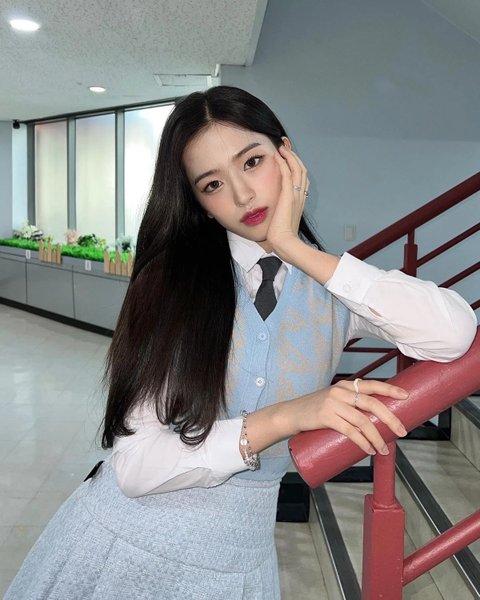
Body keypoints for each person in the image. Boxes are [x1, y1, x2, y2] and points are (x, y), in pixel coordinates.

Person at [6, 86, 476, 600]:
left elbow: (453, 332)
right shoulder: (171, 284)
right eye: (213, 184)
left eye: (252, 162)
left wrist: (293, 248)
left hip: (240, 563)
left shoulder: (334, 291)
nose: (243, 195)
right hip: (125, 549)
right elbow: (135, 467)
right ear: (201, 205)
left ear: (287, 155)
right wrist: (287, 417)